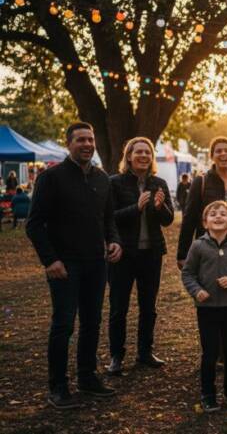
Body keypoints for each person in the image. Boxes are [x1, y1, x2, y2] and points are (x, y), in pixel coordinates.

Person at [26, 122, 123, 409]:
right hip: (65, 265)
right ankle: (57, 386)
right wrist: (50, 260)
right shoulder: (51, 178)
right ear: (68, 143)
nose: (87, 144)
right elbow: (34, 225)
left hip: (96, 263)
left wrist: (114, 241)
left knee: (92, 323)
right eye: (80, 139)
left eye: (90, 139)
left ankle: (87, 377)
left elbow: (109, 220)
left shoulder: (102, 178)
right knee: (64, 325)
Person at [177, 136, 227, 365]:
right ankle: (213, 350)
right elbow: (189, 217)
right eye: (218, 151)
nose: (223, 154)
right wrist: (182, 252)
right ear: (212, 156)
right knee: (210, 299)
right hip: (209, 248)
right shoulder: (202, 182)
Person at [106, 137, 174, 375]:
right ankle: (116, 355)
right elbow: (109, 218)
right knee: (118, 308)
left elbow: (168, 220)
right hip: (123, 254)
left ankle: (145, 352)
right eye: (139, 152)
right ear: (129, 156)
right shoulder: (114, 183)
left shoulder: (159, 183)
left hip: (151, 254)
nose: (144, 156)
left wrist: (159, 207)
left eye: (148, 152)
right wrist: (136, 207)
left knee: (149, 307)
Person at [180, 201, 227, 412]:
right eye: (213, 214)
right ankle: (208, 393)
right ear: (205, 222)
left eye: (223, 214)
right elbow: (188, 273)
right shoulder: (198, 246)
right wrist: (196, 291)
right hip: (207, 308)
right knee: (210, 352)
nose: (218, 216)